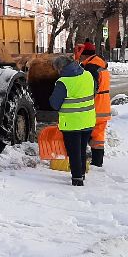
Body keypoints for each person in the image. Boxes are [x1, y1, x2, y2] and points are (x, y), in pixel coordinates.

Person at [48, 55, 96, 186]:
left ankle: (77, 179)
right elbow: (93, 93)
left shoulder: (63, 82)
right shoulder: (88, 75)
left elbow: (54, 104)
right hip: (88, 120)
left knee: (73, 151)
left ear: (61, 68)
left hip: (72, 123)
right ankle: (81, 173)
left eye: (57, 69)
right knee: (81, 148)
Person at [76, 42, 111, 168]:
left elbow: (91, 88)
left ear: (84, 54)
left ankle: (93, 162)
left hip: (94, 107)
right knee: (98, 136)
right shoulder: (100, 63)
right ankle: (97, 161)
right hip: (103, 106)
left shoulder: (91, 67)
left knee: (86, 134)